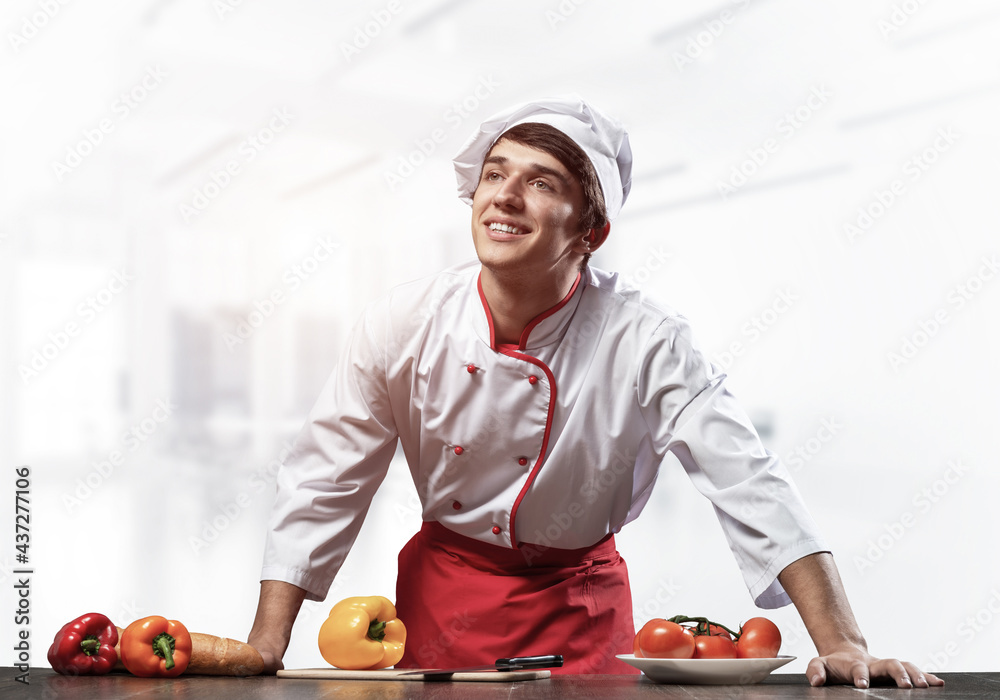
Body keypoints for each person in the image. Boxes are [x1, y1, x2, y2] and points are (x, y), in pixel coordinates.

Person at [248, 96, 943, 688]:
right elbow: (327, 477)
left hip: (580, 612)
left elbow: (749, 482)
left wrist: (841, 642)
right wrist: (266, 646)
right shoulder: (404, 321)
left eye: (543, 183)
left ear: (592, 231)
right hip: (442, 603)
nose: (506, 196)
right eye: (495, 174)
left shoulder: (647, 339)